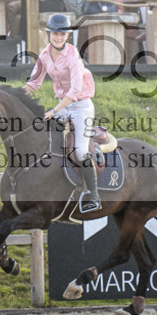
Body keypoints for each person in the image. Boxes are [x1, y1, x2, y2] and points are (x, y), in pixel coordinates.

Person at [23, 12, 99, 213]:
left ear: (67, 36)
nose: (58, 37)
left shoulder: (74, 56)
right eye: (55, 33)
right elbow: (34, 82)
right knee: (43, 134)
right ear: (49, 34)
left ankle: (93, 194)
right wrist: (15, 95)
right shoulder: (44, 55)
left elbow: (74, 91)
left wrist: (54, 110)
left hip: (81, 105)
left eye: (62, 34)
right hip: (62, 104)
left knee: (81, 150)